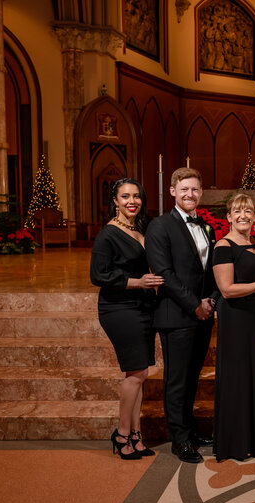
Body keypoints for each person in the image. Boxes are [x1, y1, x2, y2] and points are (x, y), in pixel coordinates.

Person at [145, 167, 216, 464]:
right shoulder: (160, 226)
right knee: (177, 378)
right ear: (172, 191)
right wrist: (194, 304)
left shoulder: (206, 226)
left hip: (203, 313)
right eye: (184, 189)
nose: (190, 194)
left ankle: (190, 429)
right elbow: (164, 274)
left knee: (192, 376)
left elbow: (210, 268)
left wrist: (211, 300)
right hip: (177, 314)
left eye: (195, 189)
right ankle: (179, 439)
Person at [91, 178, 162, 460]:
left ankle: (135, 434)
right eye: (125, 197)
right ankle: (121, 435)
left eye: (136, 196)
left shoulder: (139, 228)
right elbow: (98, 275)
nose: (132, 201)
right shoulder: (108, 234)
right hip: (119, 308)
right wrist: (137, 282)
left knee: (138, 374)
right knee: (137, 373)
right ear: (115, 201)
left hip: (142, 306)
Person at [211, 193, 255, 461]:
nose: (243, 216)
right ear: (228, 216)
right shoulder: (223, 247)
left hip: (254, 318)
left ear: (254, 216)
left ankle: (254, 439)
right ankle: (234, 442)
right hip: (234, 318)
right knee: (237, 377)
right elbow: (227, 290)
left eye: (248, 211)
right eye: (237, 211)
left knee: (253, 374)